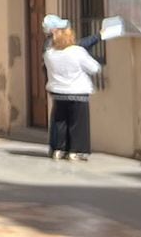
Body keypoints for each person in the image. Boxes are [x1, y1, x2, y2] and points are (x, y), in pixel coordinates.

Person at [42, 14, 102, 162]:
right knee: (78, 123)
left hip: (58, 92)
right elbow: (95, 68)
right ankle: (76, 150)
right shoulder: (77, 52)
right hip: (77, 92)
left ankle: (58, 149)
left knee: (59, 122)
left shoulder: (49, 53)